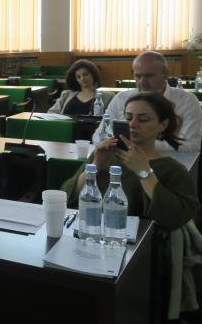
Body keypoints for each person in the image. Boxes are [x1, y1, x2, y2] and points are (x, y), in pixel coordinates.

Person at [62, 93, 200, 320]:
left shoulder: (171, 169)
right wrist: (96, 163)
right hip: (91, 244)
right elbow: (70, 195)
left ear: (162, 125)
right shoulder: (106, 156)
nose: (133, 124)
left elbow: (176, 216)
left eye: (143, 119)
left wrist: (144, 171)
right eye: (127, 118)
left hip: (141, 260)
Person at [92, 51, 201, 151]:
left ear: (166, 74)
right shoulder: (121, 99)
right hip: (124, 161)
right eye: (137, 76)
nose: (142, 82)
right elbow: (98, 137)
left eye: (149, 76)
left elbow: (193, 145)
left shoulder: (187, 101)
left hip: (170, 163)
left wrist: (140, 143)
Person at [48, 59, 114, 115]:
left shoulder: (107, 97)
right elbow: (51, 113)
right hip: (66, 126)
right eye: (78, 77)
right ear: (75, 80)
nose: (82, 78)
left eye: (85, 74)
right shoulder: (66, 95)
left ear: (93, 74)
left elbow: (112, 118)